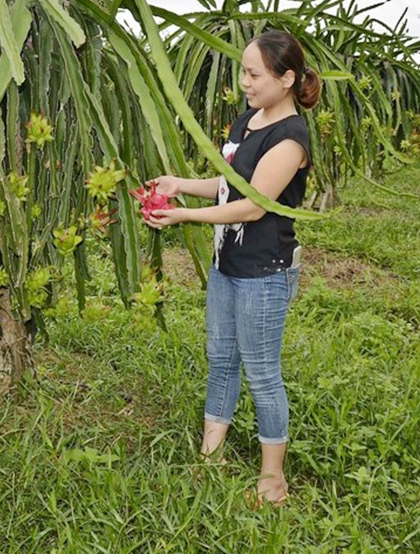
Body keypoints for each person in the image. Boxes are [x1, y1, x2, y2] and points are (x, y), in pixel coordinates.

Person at [143, 28, 320, 507]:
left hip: (264, 271)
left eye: (253, 73)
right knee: (220, 359)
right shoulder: (248, 121)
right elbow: (229, 187)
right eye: (242, 71)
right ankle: (210, 456)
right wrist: (181, 184)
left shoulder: (291, 138)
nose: (244, 81)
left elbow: (252, 206)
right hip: (228, 266)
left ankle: (273, 480)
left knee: (262, 372)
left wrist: (181, 216)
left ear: (286, 79)